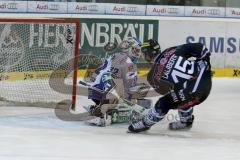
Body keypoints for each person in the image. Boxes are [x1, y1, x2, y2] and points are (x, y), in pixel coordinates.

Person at [128, 39, 212, 133]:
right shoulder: (170, 51)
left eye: (144, 54)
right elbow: (201, 48)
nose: (144, 57)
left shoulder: (152, 76)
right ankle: (186, 120)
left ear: (149, 53)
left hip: (197, 92)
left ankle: (144, 124)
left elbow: (163, 91)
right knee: (180, 92)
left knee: (165, 102)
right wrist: (205, 61)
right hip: (205, 74)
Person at [80, 37, 143, 126]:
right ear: (129, 49)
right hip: (100, 90)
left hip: (97, 90)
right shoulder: (123, 59)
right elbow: (113, 79)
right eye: (136, 50)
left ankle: (97, 108)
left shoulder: (120, 57)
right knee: (115, 89)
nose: (138, 54)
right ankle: (98, 113)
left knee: (121, 99)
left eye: (138, 51)